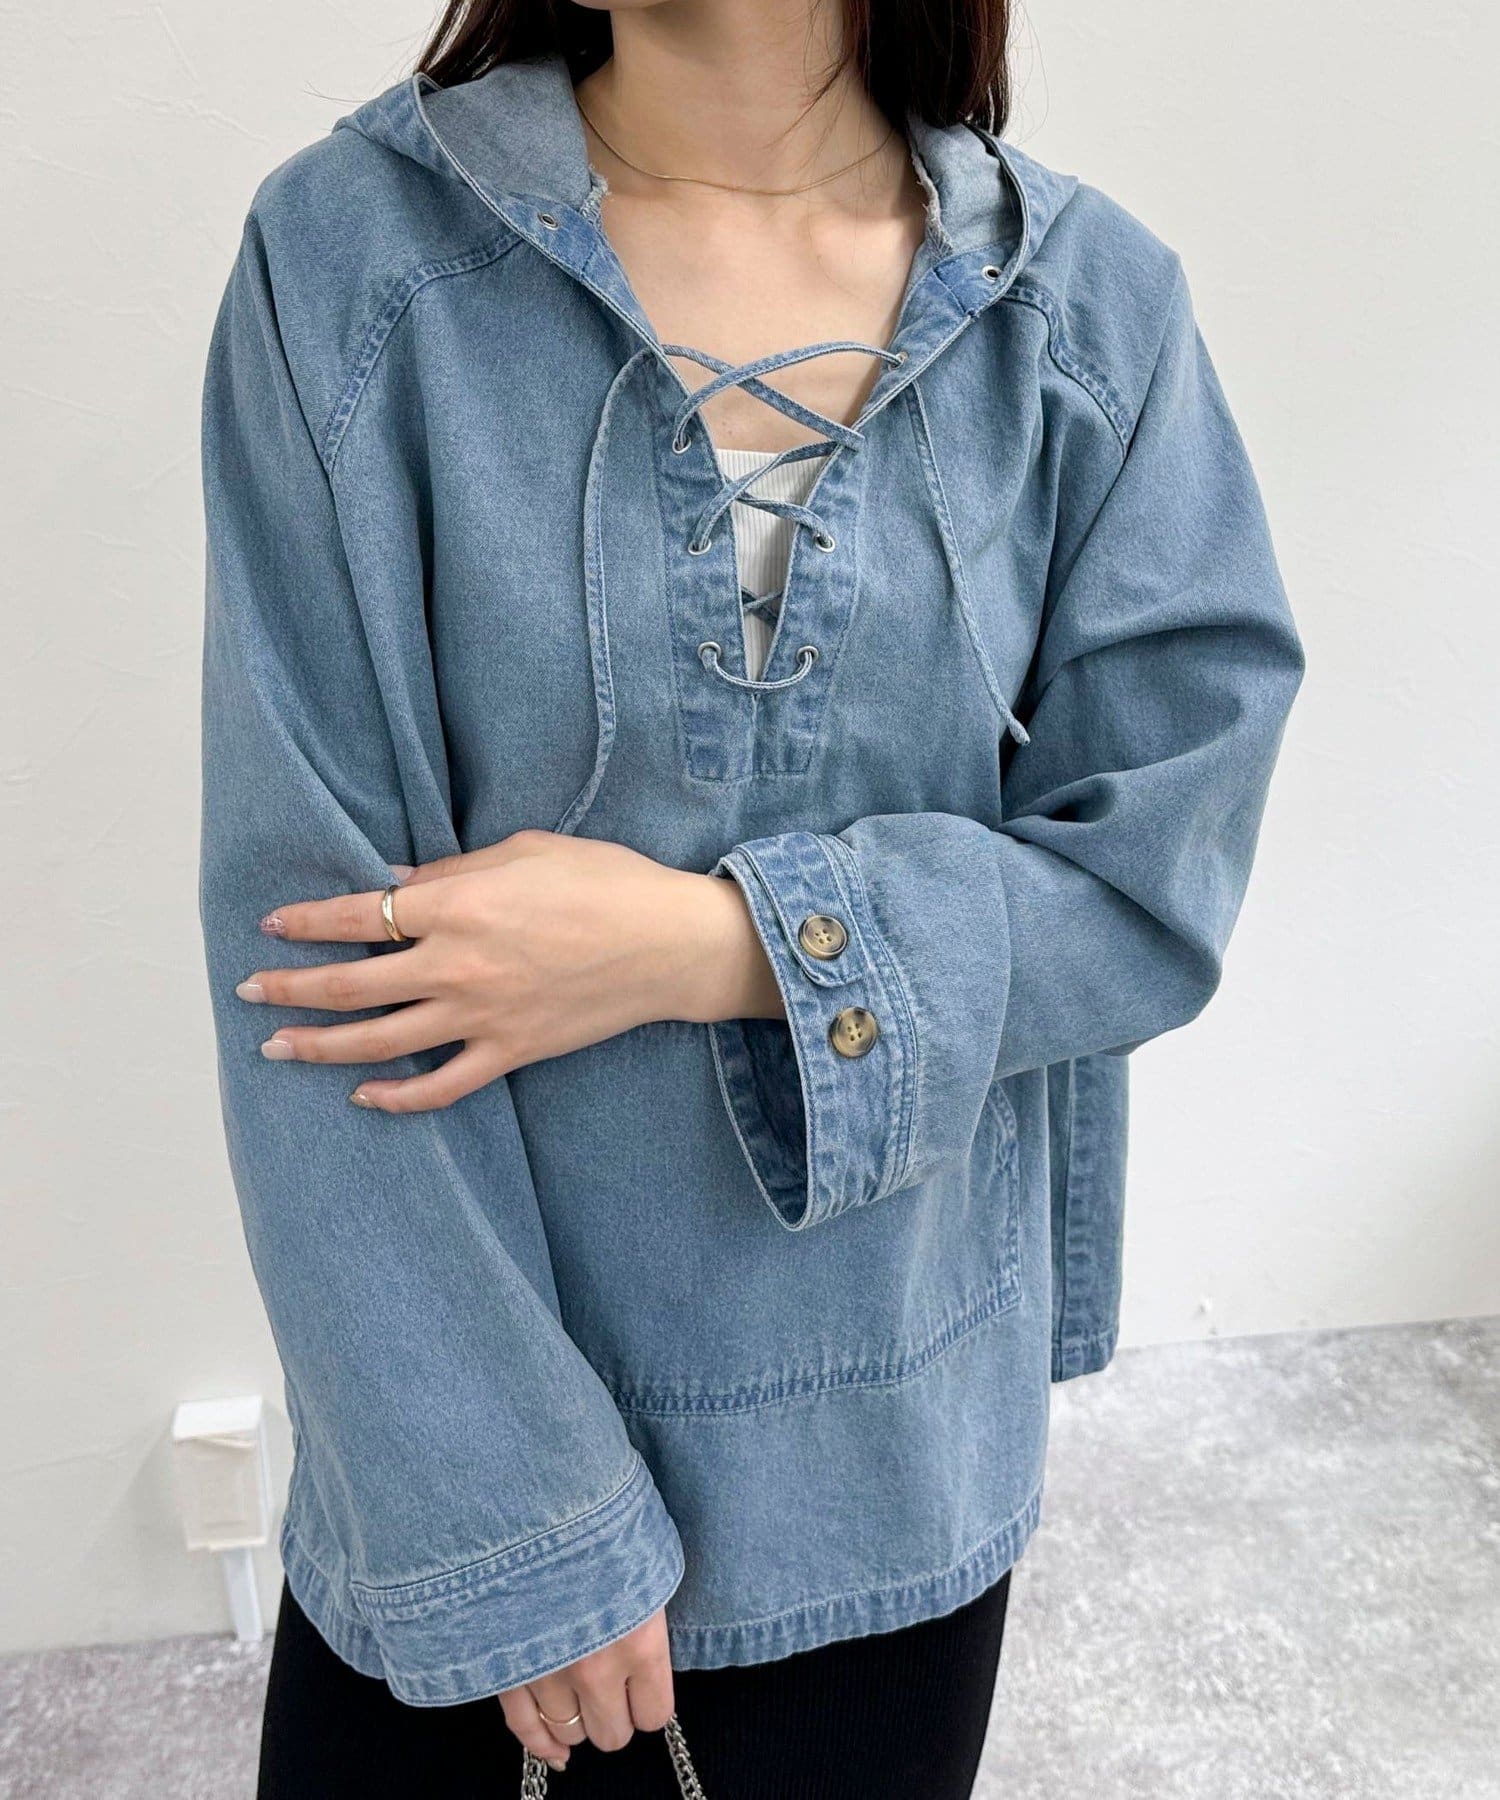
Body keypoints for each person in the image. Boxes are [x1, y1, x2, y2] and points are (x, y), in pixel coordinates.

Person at [198, 1, 1304, 1793]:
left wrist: (702, 948)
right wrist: (512, 1521)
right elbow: (306, 958)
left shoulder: (1090, 311)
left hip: (893, 1470)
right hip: (452, 1459)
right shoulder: (351, 261)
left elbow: (1148, 887)